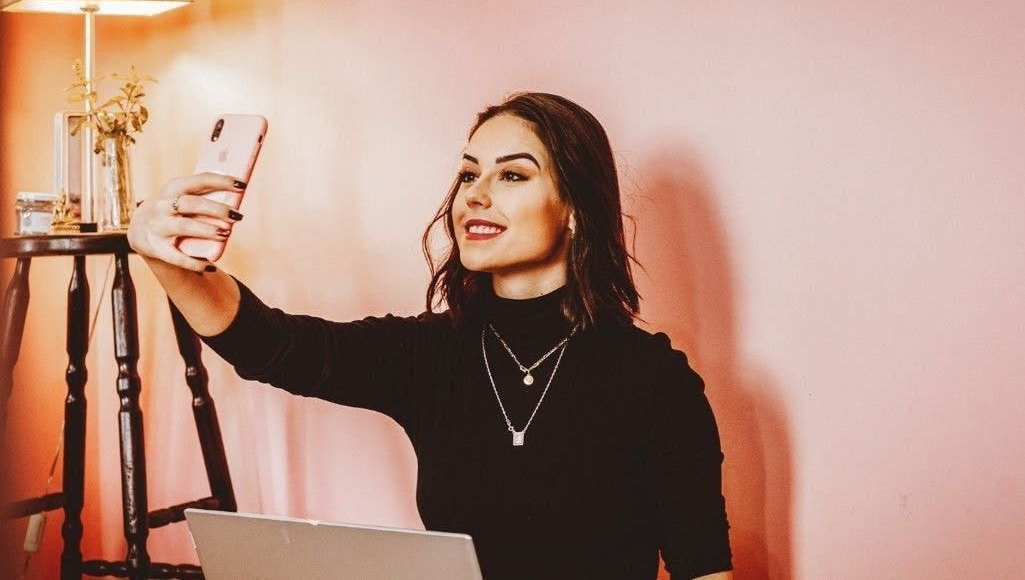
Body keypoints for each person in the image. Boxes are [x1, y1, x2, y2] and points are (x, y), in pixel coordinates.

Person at [128, 92, 734, 579]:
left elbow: (703, 567)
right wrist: (166, 256)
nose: (476, 195)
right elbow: (272, 346)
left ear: (575, 208)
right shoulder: (430, 354)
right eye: (468, 174)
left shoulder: (654, 381)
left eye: (512, 175)